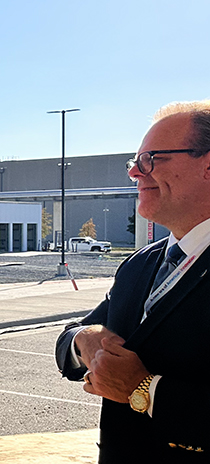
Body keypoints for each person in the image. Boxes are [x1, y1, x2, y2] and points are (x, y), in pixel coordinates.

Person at [55, 100, 210, 462]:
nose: (135, 173)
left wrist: (146, 390)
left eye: (151, 159)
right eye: (134, 162)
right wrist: (84, 341)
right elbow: (75, 335)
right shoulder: (140, 263)